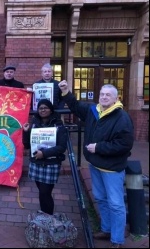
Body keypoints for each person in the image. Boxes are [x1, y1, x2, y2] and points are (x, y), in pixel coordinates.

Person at [58, 81, 134, 248]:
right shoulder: (94, 110)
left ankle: (117, 240)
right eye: (102, 94)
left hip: (112, 168)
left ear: (115, 99)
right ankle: (106, 230)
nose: (104, 97)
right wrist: (66, 91)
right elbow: (76, 107)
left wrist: (98, 147)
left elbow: (124, 145)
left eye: (108, 95)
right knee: (100, 198)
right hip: (95, 165)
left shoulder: (122, 118)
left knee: (115, 204)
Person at [22, 99, 67, 215]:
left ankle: (48, 217)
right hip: (36, 162)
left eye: (45, 108)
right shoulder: (34, 123)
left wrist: (44, 153)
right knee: (42, 192)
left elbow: (62, 147)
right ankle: (44, 214)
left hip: (51, 164)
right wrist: (26, 132)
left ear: (51, 109)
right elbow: (27, 145)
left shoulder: (59, 125)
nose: (43, 110)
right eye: (40, 108)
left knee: (45, 192)